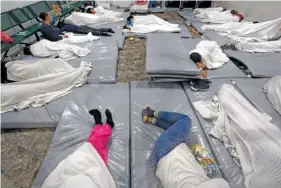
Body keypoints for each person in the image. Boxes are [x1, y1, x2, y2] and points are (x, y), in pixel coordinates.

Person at [141, 107, 231, 188]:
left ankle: (154, 113)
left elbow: (223, 183)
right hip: (163, 163)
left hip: (169, 148)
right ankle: (150, 119)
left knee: (185, 120)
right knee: (176, 128)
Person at [39, 11, 114, 41]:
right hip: (70, 30)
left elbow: (56, 30)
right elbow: (53, 36)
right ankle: (104, 33)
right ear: (46, 16)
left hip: (72, 27)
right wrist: (62, 36)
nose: (50, 16)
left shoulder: (50, 24)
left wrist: (62, 34)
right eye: (48, 15)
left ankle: (107, 29)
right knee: (88, 31)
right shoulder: (45, 27)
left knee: (88, 28)